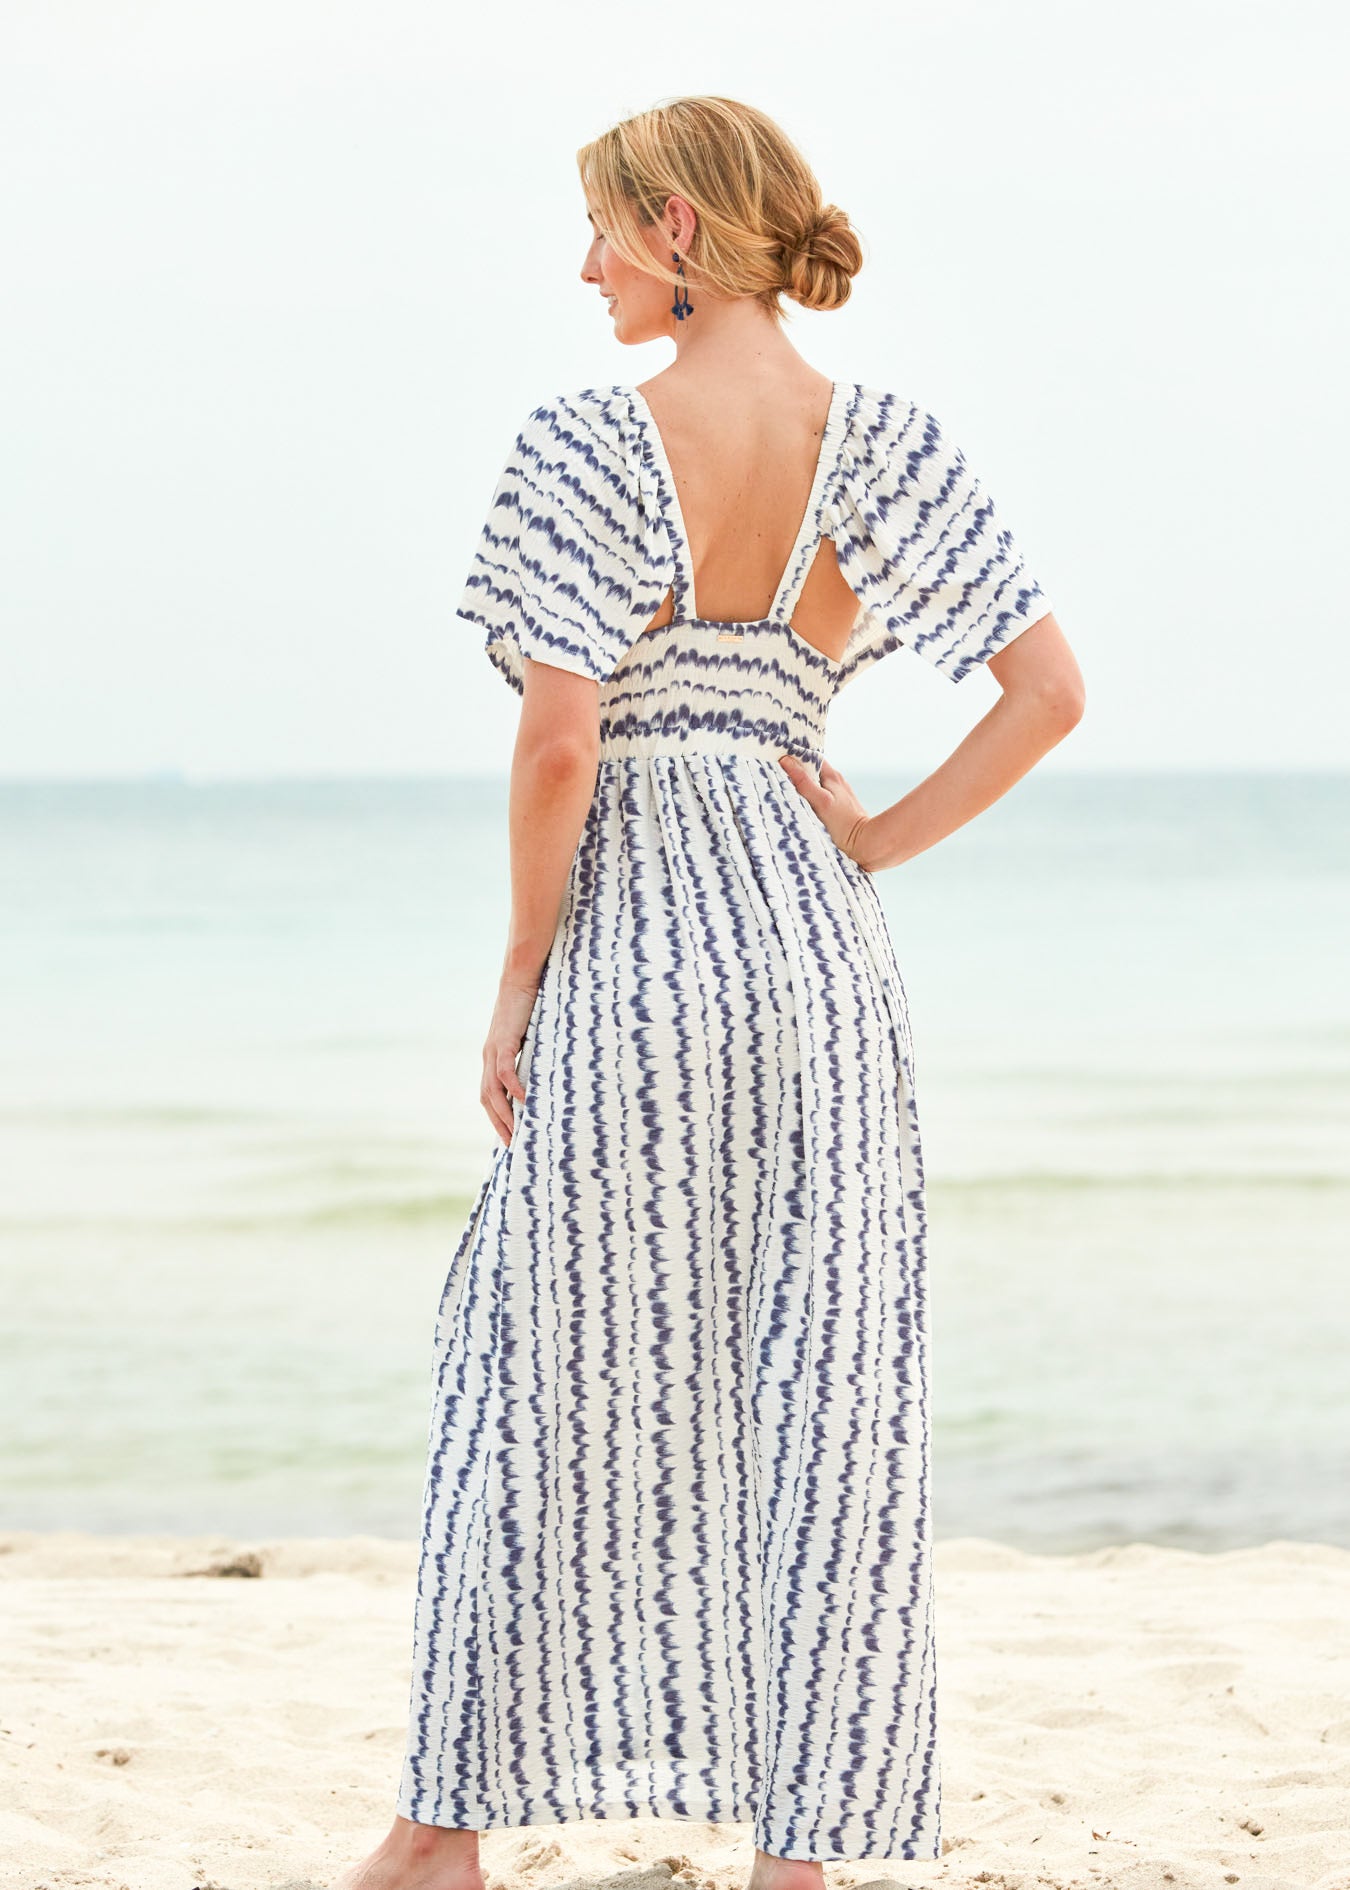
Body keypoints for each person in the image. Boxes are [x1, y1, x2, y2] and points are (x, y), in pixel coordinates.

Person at [332, 94, 1084, 1890]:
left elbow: (559, 741)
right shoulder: (880, 440)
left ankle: (443, 1833)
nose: (582, 264)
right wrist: (875, 840)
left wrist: (520, 969)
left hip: (643, 951)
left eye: (599, 228)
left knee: (536, 1376)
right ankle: (797, 1860)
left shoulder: (590, 441)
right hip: (815, 954)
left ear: (673, 227)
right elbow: (1048, 692)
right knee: (822, 1399)